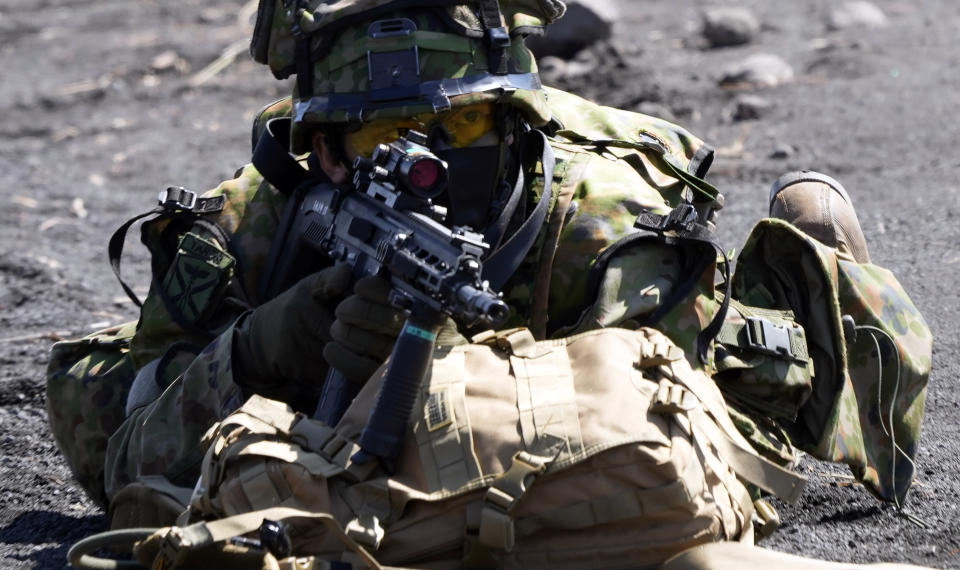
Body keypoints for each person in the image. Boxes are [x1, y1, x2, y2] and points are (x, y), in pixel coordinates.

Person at [46, 0, 930, 531]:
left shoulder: (601, 228)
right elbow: (106, 441)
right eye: (377, 137)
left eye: (457, 128)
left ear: (515, 124)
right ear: (318, 151)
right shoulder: (256, 225)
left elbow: (699, 458)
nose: (418, 160)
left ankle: (809, 253)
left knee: (776, 382)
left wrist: (466, 372)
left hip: (612, 334)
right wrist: (253, 353)